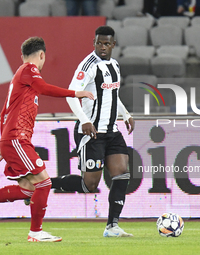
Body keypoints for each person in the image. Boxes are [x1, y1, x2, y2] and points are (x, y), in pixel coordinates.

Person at [0, 37, 94, 242]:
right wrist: (75, 93)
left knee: (29, 189)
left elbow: (4, 112)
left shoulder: (21, 78)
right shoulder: (29, 70)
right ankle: (35, 232)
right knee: (43, 183)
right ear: (41, 54)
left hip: (13, 139)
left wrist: (3, 142)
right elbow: (44, 88)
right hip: (17, 138)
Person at [49, 26, 135, 237]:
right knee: (90, 185)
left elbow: (113, 96)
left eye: (106, 44)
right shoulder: (88, 66)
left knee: (122, 173)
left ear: (113, 44)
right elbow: (71, 95)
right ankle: (44, 184)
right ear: (94, 43)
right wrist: (85, 120)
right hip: (92, 133)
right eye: (99, 43)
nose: (102, 47)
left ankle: (112, 226)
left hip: (112, 131)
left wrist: (125, 114)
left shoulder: (114, 65)